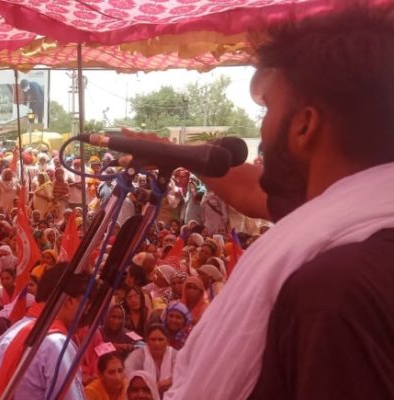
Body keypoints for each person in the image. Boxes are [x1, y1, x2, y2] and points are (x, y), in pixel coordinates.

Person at [167, 8, 394, 400]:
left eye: (268, 107)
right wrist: (169, 151)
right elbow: (251, 191)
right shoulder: (354, 221)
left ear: (305, 126)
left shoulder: (331, 292)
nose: (263, 127)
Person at [0, 265, 91, 399]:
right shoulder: (57, 344)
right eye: (84, 304)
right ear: (69, 301)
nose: (86, 313)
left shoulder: (11, 332)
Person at [125, 324, 176, 397]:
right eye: (153, 339)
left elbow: (181, 376)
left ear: (167, 341)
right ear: (147, 341)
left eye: (160, 339)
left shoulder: (175, 355)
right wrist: (149, 386)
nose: (157, 343)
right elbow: (129, 373)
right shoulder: (138, 355)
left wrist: (160, 384)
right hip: (144, 395)